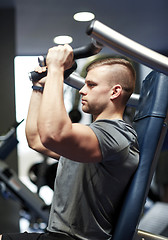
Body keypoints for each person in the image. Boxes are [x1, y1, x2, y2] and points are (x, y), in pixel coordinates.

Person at [0, 44, 139, 240]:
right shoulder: (93, 136)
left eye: (91, 85)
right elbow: (37, 140)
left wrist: (56, 68)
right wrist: (39, 87)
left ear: (115, 92)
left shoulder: (117, 135)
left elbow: (53, 135)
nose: (82, 90)